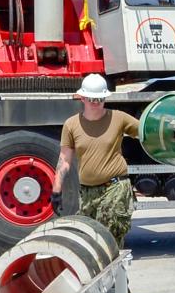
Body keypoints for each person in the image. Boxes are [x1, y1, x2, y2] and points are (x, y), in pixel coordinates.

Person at [51, 74, 139, 248]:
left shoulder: (119, 118)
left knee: (111, 237)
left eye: (99, 98)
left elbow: (146, 131)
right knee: (90, 241)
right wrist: (56, 190)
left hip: (115, 187)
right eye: (91, 98)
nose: (95, 102)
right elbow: (65, 159)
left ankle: (114, 271)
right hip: (88, 193)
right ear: (82, 98)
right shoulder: (71, 124)